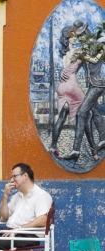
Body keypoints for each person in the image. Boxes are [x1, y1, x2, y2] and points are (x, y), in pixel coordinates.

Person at [50, 26, 101, 160]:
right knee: (87, 114)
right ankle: (94, 151)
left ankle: (53, 146)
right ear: (70, 39)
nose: (77, 38)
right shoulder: (79, 50)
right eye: (74, 37)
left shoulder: (64, 53)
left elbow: (65, 69)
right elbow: (94, 59)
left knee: (61, 117)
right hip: (72, 86)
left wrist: (62, 73)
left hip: (62, 86)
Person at [63, 20, 105, 161]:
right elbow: (75, 66)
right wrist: (65, 73)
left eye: (81, 35)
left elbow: (94, 61)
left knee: (81, 113)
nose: (80, 38)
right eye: (79, 36)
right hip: (94, 85)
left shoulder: (97, 46)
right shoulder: (85, 49)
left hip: (99, 83)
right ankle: (103, 139)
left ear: (86, 33)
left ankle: (76, 149)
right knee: (95, 111)